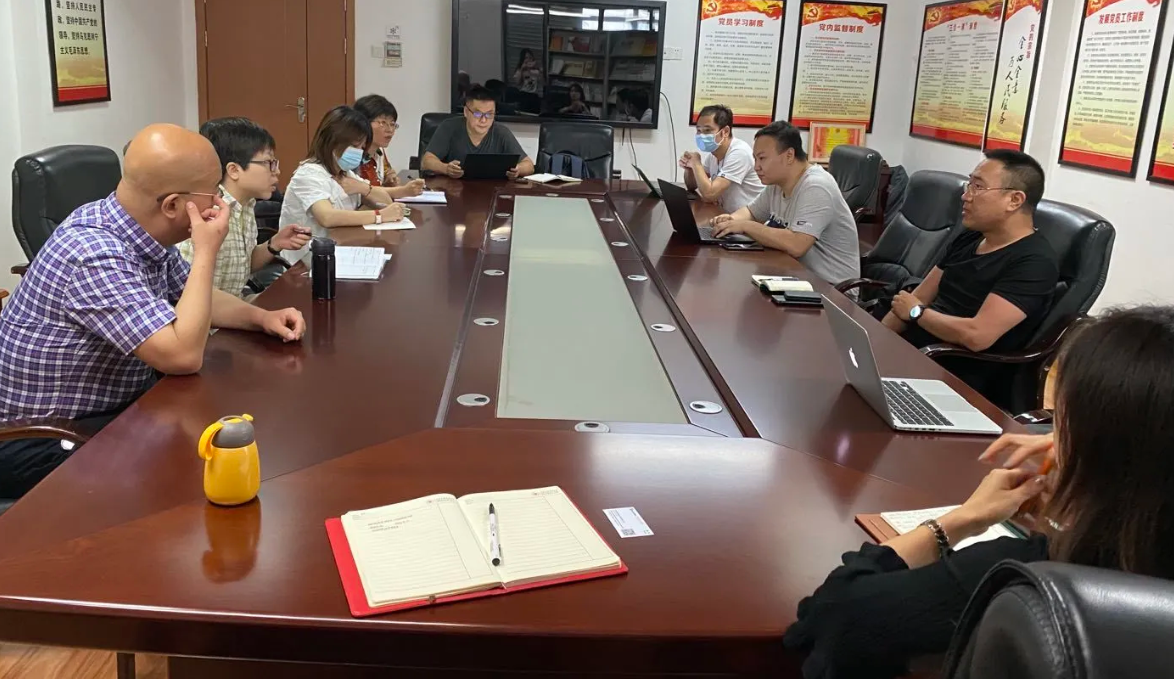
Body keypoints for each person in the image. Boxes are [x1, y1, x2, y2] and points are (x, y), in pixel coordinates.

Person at [784, 305, 1174, 678]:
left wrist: (961, 520)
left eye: (1059, 421)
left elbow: (834, 615)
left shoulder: (1029, 576)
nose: (1050, 437)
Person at [0, 124, 306, 498]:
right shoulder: (93, 253)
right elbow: (182, 356)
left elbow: (195, 295)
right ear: (172, 205)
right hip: (43, 436)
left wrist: (261, 318)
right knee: (192, 479)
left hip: (116, 408)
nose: (219, 205)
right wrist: (206, 250)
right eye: (212, 194)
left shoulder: (137, 229)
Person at [881, 150, 1058, 402]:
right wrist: (875, 342)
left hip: (952, 375)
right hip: (912, 355)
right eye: (969, 184)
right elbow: (918, 296)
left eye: (978, 187)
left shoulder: (1034, 263)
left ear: (1014, 200)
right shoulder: (970, 237)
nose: (965, 196)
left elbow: (977, 336)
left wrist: (917, 313)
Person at [710, 121, 860, 286]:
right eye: (755, 159)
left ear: (789, 155)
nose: (756, 166)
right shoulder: (777, 183)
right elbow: (752, 212)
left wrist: (745, 226)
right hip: (795, 275)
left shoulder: (816, 186)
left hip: (831, 289)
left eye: (762, 158)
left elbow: (797, 244)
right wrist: (729, 221)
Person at [175, 117, 311, 298]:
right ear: (234, 170)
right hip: (210, 311)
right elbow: (187, 293)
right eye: (269, 163)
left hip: (235, 303)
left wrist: (274, 244)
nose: (277, 171)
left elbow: (240, 267)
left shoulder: (246, 204)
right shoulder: (208, 214)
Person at [279, 106, 407, 263]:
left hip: (340, 251)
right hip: (306, 262)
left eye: (361, 147)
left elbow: (385, 201)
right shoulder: (309, 173)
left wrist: (364, 189)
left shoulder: (344, 173)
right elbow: (327, 217)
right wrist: (380, 216)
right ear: (332, 140)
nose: (359, 152)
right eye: (354, 145)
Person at [421, 85, 535, 180]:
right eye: (478, 114)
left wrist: (518, 169)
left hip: (491, 192)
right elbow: (426, 161)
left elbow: (529, 165)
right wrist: (446, 168)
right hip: (453, 191)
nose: (483, 120)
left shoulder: (501, 132)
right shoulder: (449, 127)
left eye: (489, 114)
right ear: (466, 112)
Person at [680, 104, 765, 213]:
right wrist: (690, 169)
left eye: (707, 130)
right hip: (726, 215)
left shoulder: (739, 153)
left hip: (748, 219)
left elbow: (709, 194)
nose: (701, 136)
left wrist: (697, 164)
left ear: (725, 132)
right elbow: (692, 186)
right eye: (699, 130)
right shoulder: (714, 154)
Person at [352, 95, 419, 199]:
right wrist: (403, 191)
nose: (390, 130)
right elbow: (363, 193)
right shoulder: (352, 155)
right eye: (383, 123)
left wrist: (388, 181)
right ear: (363, 123)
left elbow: (380, 182)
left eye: (392, 124)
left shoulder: (379, 151)